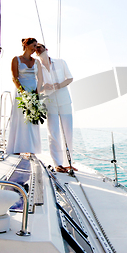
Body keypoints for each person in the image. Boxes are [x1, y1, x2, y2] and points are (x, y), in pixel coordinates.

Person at [35, 43, 77, 172]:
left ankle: (68, 162)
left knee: (68, 132)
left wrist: (57, 86)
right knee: (53, 132)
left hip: (64, 100)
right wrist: (44, 88)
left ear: (46, 49)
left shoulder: (60, 62)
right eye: (35, 48)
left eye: (39, 47)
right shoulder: (37, 67)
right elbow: (38, 88)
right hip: (50, 101)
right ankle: (57, 164)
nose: (37, 49)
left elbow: (69, 78)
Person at [6, 38, 44, 155]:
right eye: (33, 46)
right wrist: (23, 93)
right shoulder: (16, 59)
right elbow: (14, 78)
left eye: (36, 46)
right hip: (21, 92)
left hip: (34, 92)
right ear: (25, 45)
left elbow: (40, 79)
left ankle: (30, 148)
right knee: (20, 119)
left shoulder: (37, 62)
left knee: (32, 119)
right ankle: (17, 148)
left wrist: (36, 93)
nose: (34, 49)